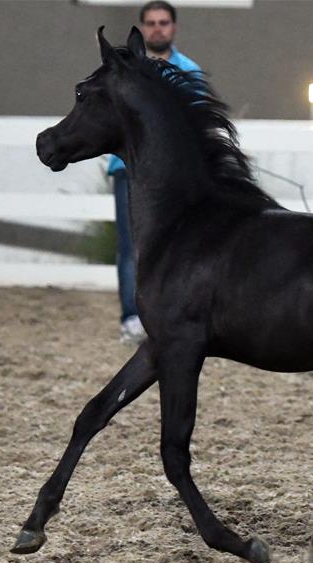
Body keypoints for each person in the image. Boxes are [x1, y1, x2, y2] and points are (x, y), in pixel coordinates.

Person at [109, 0, 201, 343]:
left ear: (173, 27)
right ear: (143, 28)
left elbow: (197, 121)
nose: (157, 28)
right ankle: (132, 318)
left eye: (163, 22)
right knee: (130, 245)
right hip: (128, 168)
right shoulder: (125, 70)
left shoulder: (188, 70)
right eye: (151, 23)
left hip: (172, 174)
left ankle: (169, 312)